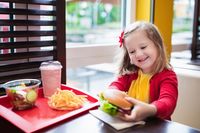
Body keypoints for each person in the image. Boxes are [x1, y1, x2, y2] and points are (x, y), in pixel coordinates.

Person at [108, 21, 178, 121]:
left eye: (143, 47)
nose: (138, 54)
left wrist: (150, 109)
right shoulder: (129, 74)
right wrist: (112, 92)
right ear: (129, 56)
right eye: (132, 51)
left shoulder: (167, 76)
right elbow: (116, 85)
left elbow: (168, 102)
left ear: (157, 46)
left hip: (156, 128)